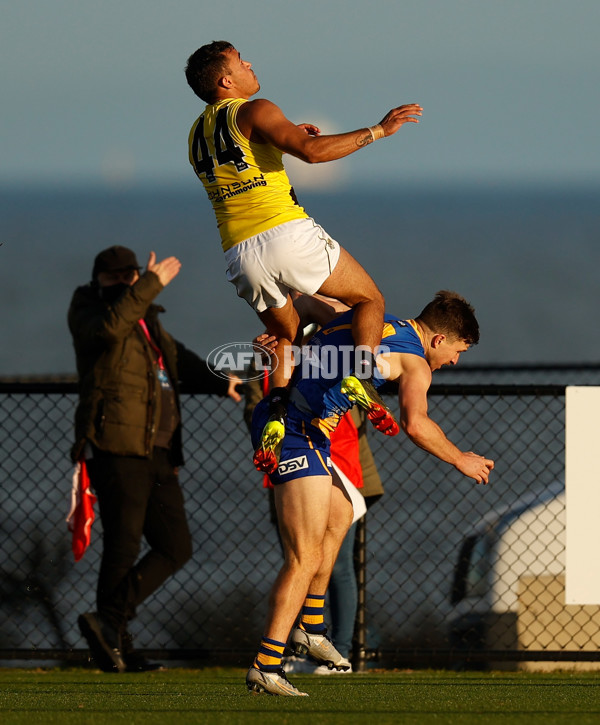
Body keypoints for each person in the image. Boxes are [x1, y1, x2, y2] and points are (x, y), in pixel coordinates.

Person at [184, 40, 423, 473]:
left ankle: (276, 406)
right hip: (285, 234)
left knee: (286, 337)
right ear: (226, 80)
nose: (250, 63)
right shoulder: (254, 109)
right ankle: (361, 377)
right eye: (241, 61)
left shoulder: (196, 136)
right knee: (369, 300)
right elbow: (312, 155)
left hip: (240, 255)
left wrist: (284, 140)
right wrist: (378, 130)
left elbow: (247, 164)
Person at [245, 291, 494, 696]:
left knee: (342, 512)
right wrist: (459, 458)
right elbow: (415, 423)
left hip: (309, 430)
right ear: (437, 340)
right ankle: (267, 664)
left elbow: (301, 301)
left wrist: (282, 337)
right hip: (292, 433)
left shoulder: (364, 319)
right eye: (457, 350)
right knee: (303, 557)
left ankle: (310, 628)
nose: (455, 361)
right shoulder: (416, 363)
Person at [68, 245, 241, 673]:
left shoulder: (144, 316)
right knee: (123, 546)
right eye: (117, 277)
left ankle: (108, 626)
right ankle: (115, 644)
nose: (126, 281)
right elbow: (109, 330)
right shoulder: (89, 308)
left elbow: (178, 358)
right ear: (99, 280)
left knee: (174, 546)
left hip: (159, 450)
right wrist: (147, 285)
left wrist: (223, 382)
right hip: (117, 445)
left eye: (131, 275)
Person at [243, 298, 384, 675]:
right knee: (303, 560)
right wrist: (266, 370)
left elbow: (351, 402)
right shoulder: (280, 352)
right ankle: (299, 645)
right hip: (297, 462)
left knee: (329, 562)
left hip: (340, 463)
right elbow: (257, 413)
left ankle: (329, 645)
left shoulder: (335, 343)